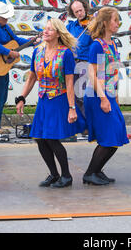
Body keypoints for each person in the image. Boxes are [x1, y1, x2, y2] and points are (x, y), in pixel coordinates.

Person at [16, 18, 86, 188]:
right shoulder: (38, 52)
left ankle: (67, 175)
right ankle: (54, 174)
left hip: (59, 100)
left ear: (58, 33)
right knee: (40, 138)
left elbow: (70, 83)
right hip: (44, 100)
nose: (45, 32)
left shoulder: (66, 54)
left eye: (50, 29)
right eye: (45, 29)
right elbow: (32, 77)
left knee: (52, 139)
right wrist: (22, 97)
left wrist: (72, 108)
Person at [83, 7, 129, 185]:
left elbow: (111, 72)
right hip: (97, 95)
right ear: (105, 23)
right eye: (115, 20)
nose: (118, 23)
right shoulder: (97, 45)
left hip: (109, 94)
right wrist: (103, 98)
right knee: (109, 136)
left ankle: (97, 170)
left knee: (116, 134)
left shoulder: (112, 44)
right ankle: (90, 173)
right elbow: (92, 75)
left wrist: (114, 95)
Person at [0, 2, 34, 134]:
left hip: (1, 66)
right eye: (4, 16)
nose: (7, 19)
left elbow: (16, 40)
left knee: (1, 96)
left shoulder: (4, 26)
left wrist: (32, 42)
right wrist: (9, 53)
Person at [66, 0, 94, 118]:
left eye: (81, 10)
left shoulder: (93, 24)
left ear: (85, 9)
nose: (79, 14)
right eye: (76, 12)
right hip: (72, 63)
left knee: (81, 95)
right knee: (72, 94)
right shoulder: (71, 26)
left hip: (85, 63)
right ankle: (78, 122)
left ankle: (86, 126)